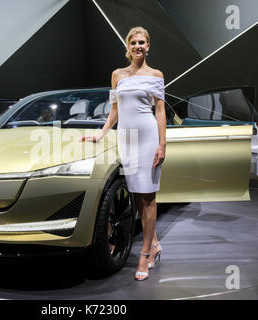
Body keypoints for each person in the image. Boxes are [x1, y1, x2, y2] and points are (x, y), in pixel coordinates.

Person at [80, 26, 166, 281]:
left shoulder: (156, 75)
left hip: (148, 136)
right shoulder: (117, 75)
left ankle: (144, 254)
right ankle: (156, 244)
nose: (138, 46)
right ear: (127, 46)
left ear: (148, 46)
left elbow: (160, 111)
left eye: (142, 42)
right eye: (134, 42)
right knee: (137, 196)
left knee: (148, 197)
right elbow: (115, 111)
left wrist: (162, 144)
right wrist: (101, 133)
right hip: (127, 139)